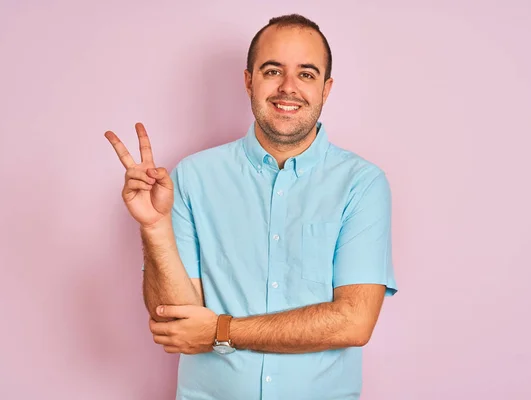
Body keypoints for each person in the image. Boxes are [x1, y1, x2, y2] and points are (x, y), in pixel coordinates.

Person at [105, 13, 397, 400]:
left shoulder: (362, 184)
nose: (288, 88)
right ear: (249, 81)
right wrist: (154, 227)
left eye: (307, 74)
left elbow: (353, 322)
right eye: (273, 70)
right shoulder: (191, 177)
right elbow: (176, 320)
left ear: (326, 89)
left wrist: (220, 331)